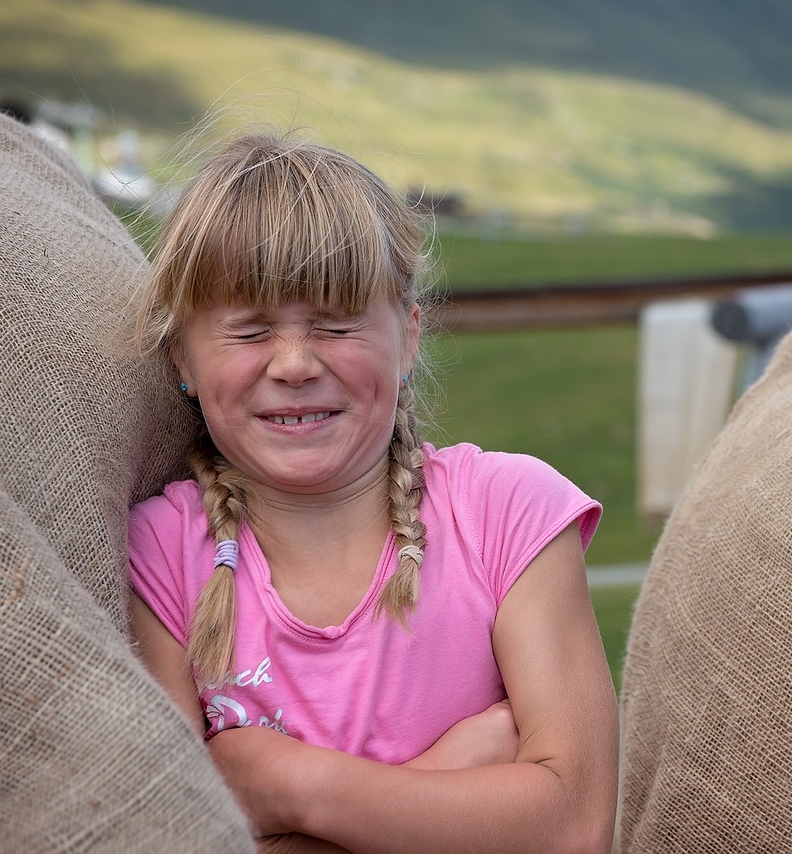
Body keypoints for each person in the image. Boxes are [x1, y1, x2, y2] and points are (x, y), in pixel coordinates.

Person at [126, 132, 620, 853]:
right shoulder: (157, 558)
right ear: (183, 358)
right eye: (250, 330)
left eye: (335, 323)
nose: (294, 364)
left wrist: (292, 787)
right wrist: (459, 772)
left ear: (409, 335)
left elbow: (575, 826)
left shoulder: (509, 512)